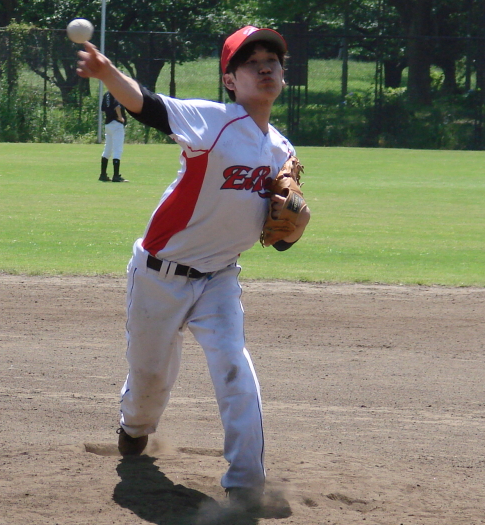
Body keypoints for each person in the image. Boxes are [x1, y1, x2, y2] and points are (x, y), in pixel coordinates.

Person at [76, 26, 310, 513]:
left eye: (272, 60)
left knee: (235, 368)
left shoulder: (282, 150)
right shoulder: (213, 120)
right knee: (149, 379)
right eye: (251, 63)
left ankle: (246, 484)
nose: (265, 68)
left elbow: (280, 239)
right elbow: (147, 105)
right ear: (230, 80)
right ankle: (134, 430)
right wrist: (106, 73)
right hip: (158, 274)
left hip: (220, 277)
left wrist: (297, 224)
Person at [99, 90, 127, 182]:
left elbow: (103, 109)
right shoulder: (116, 92)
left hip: (108, 124)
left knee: (107, 149)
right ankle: (116, 176)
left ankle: (103, 174)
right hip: (116, 124)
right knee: (117, 150)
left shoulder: (106, 94)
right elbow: (117, 106)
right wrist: (120, 117)